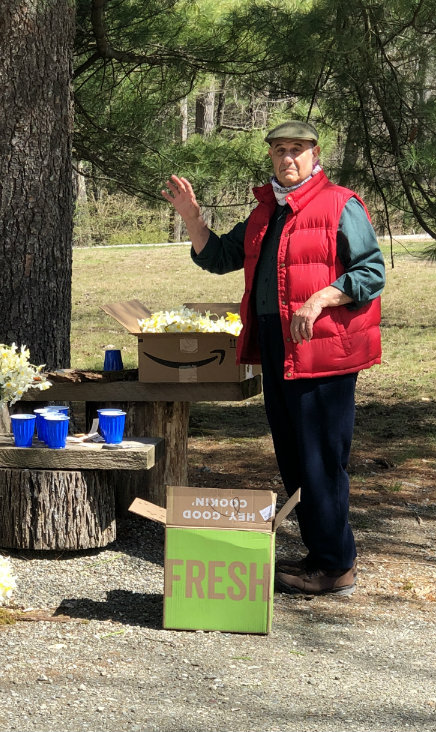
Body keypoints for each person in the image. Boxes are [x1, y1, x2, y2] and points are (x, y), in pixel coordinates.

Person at [162, 120, 385, 596]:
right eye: (280, 150)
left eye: (297, 150)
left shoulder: (340, 203)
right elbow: (220, 256)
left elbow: (370, 273)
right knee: (293, 457)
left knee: (321, 459)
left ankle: (335, 565)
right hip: (277, 346)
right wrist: (192, 216)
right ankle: (319, 552)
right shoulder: (267, 211)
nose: (288, 158)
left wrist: (320, 298)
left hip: (322, 350)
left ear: (315, 154)